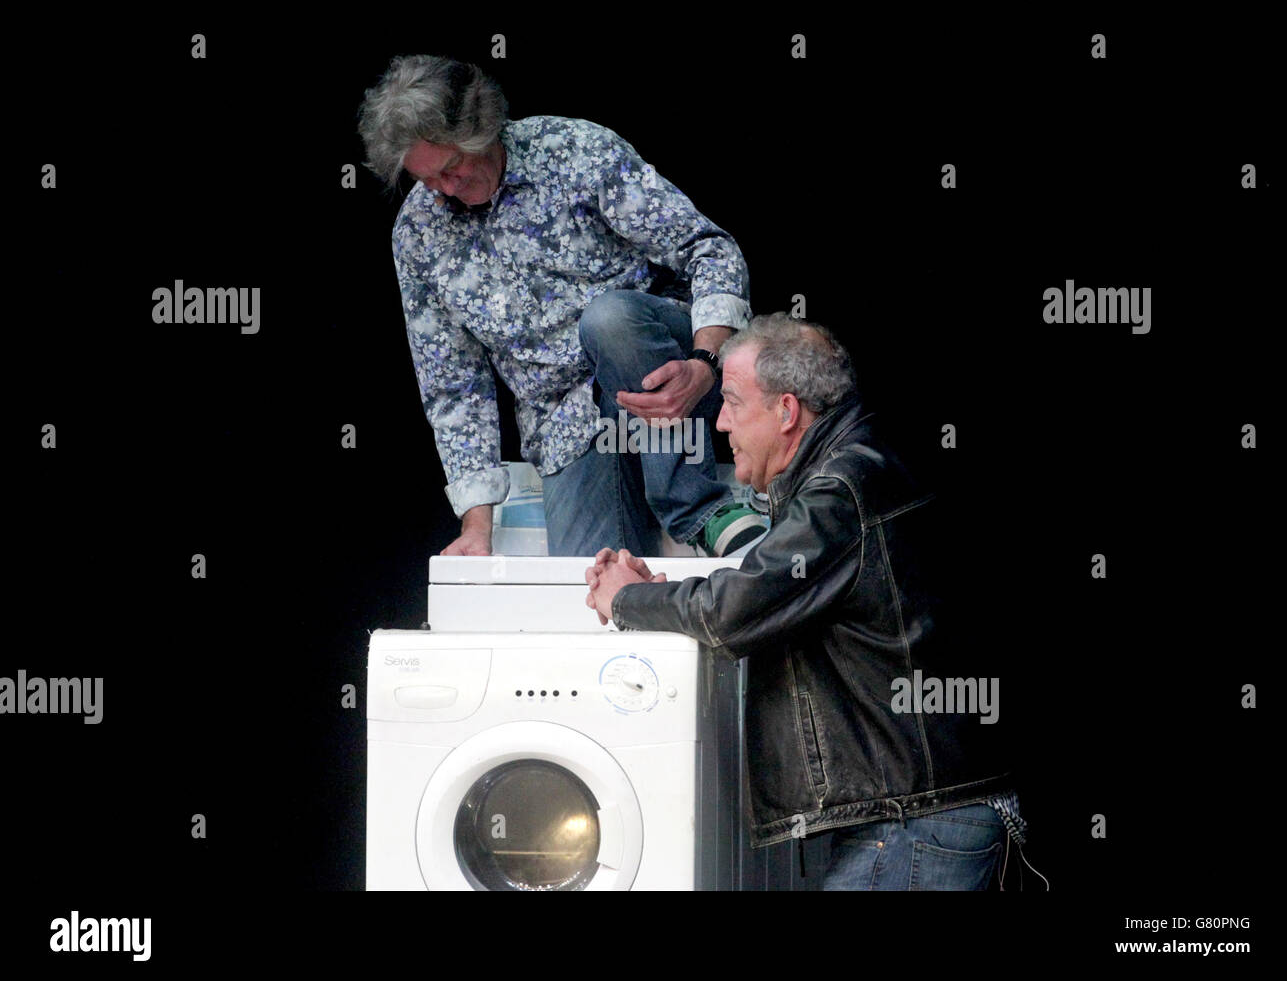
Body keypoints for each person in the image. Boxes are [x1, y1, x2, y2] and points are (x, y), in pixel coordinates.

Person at [584, 313, 1026, 890]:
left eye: (733, 403)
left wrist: (629, 600)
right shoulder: (854, 466)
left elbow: (735, 610)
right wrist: (659, 595)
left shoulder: (841, 488)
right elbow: (768, 591)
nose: (719, 423)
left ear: (787, 412)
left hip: (915, 820)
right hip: (920, 815)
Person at [357, 55, 766, 558]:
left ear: (482, 129)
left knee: (610, 319)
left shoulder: (575, 150)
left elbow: (710, 250)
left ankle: (700, 508)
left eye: (451, 168)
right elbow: (453, 386)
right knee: (591, 587)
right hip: (566, 423)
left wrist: (706, 365)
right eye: (427, 181)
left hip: (662, 363)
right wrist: (475, 527)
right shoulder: (418, 234)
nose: (445, 190)